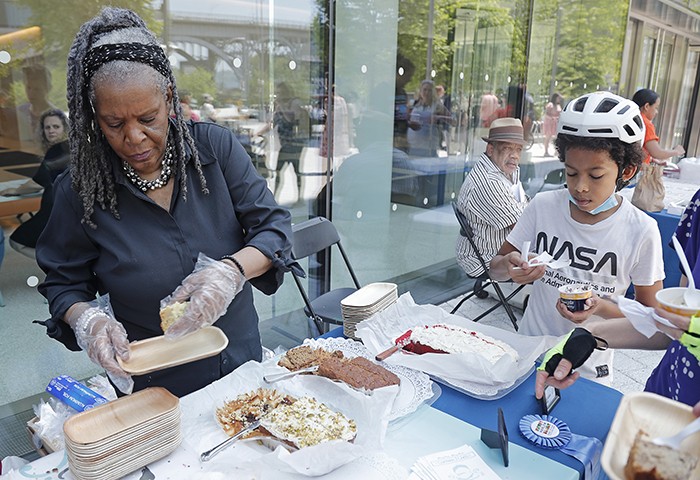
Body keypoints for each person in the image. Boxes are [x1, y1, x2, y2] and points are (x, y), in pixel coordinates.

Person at [36, 8, 299, 398]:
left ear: (170, 100)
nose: (135, 137)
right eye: (114, 123)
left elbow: (273, 229)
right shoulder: (79, 191)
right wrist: (86, 319)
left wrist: (231, 273)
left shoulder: (214, 149)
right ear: (94, 118)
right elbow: (64, 284)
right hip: (155, 385)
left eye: (148, 117)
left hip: (241, 364)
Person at [489, 91, 665, 385]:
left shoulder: (641, 230)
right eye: (571, 173)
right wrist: (508, 266)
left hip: (588, 366)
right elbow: (494, 267)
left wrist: (602, 308)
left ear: (627, 170)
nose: (580, 187)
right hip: (528, 353)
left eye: (595, 176)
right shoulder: (543, 207)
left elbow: (652, 320)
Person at [536, 187, 700, 413]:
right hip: (663, 396)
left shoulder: (641, 227)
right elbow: (674, 327)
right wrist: (589, 335)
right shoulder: (698, 205)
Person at [456, 117, 528, 279]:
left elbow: (524, 208)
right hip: (485, 258)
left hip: (502, 248)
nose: (515, 156)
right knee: (554, 268)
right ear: (490, 149)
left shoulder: (508, 170)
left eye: (518, 150)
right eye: (508, 148)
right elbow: (522, 227)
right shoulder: (488, 182)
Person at [5, 109, 70, 258]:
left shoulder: (57, 149)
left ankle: (54, 263)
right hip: (63, 210)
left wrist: (14, 191)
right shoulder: (69, 148)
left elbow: (36, 183)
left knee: (17, 241)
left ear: (65, 128)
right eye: (47, 127)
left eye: (56, 127)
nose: (51, 131)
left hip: (53, 211)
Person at [630, 88, 685, 212]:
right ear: (646, 106)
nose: (656, 112)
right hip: (637, 172)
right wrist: (676, 151)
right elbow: (658, 152)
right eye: (655, 107)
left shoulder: (631, 119)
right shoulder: (646, 123)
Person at [407, 79, 451, 157]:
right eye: (425, 90)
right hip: (413, 145)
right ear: (420, 91)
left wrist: (438, 117)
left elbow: (453, 121)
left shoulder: (437, 106)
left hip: (429, 146)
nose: (427, 93)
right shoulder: (414, 104)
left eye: (429, 90)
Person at [542, 92, 563, 157]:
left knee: (557, 137)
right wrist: (552, 118)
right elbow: (547, 114)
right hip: (550, 122)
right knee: (548, 136)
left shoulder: (558, 105)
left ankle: (556, 151)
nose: (559, 99)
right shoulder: (550, 105)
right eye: (558, 98)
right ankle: (546, 151)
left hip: (556, 123)